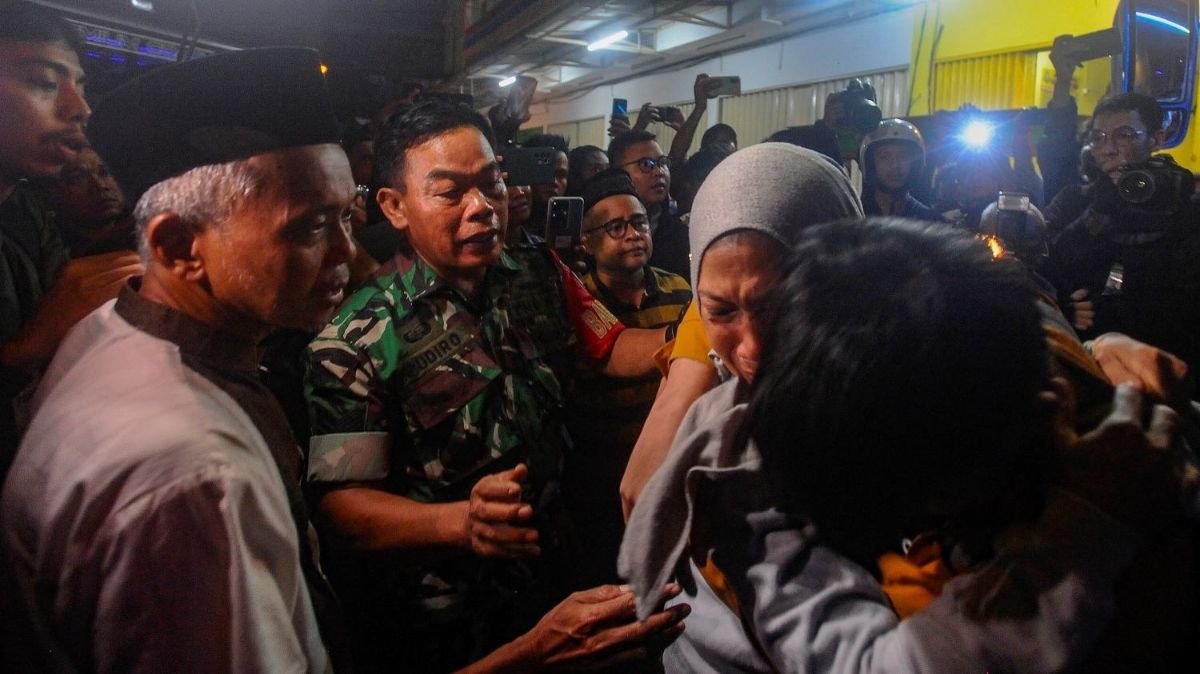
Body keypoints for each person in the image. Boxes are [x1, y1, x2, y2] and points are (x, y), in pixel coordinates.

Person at [619, 216, 1190, 672]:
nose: (754, 349)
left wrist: (1086, 525)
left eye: (773, 307)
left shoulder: (1134, 479)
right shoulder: (766, 450)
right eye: (719, 310)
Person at [1, 47, 354, 673]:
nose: (347, 252)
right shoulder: (195, 479)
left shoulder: (109, 328)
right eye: (311, 227)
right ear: (178, 244)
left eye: (347, 217)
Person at [304, 98, 677, 673]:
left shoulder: (535, 270)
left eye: (492, 183)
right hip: (449, 617)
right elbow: (343, 508)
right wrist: (460, 523)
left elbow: (611, 349)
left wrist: (706, 334)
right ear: (394, 206)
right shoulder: (354, 338)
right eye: (451, 192)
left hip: (557, 569)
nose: (483, 208)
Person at [0, 0, 143, 477]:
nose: (78, 108)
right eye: (44, 82)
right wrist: (32, 342)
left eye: (80, 87)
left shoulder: (27, 216)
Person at [568, 168, 692, 587]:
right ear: (586, 241)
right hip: (604, 473)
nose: (632, 234)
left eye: (638, 222)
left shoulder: (680, 291)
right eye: (615, 227)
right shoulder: (576, 300)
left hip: (674, 465)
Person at [1040, 93, 1200, 385]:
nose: (1108, 149)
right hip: (1092, 365)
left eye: (1124, 136)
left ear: (1156, 139)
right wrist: (1064, 307)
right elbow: (1046, 263)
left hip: (1171, 365)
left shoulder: (1184, 203)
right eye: (1099, 137)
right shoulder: (1076, 200)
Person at [609, 129, 689, 278]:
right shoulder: (603, 233)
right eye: (646, 164)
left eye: (663, 162)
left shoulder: (682, 233)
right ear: (618, 173)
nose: (659, 172)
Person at [31, 144, 136, 256]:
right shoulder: (45, 255)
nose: (100, 185)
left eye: (104, 172)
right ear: (47, 196)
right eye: (77, 178)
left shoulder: (147, 230)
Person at [859, 118, 943, 222]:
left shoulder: (931, 222)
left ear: (915, 164)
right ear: (870, 162)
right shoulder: (854, 217)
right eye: (884, 157)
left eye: (903, 156)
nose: (895, 165)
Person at [522, 132, 570, 227]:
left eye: (561, 175)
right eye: (546, 172)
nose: (554, 182)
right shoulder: (510, 225)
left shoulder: (571, 224)